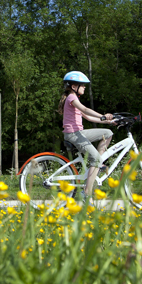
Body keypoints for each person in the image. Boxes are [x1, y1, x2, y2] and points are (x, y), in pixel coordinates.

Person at [59, 71, 114, 202]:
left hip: (79, 133)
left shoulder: (74, 99)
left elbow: (88, 117)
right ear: (73, 86)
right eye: (82, 85)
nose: (84, 87)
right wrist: (103, 115)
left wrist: (107, 121)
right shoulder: (72, 98)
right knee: (95, 158)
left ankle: (97, 163)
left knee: (107, 133)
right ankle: (86, 193)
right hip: (73, 134)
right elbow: (85, 110)